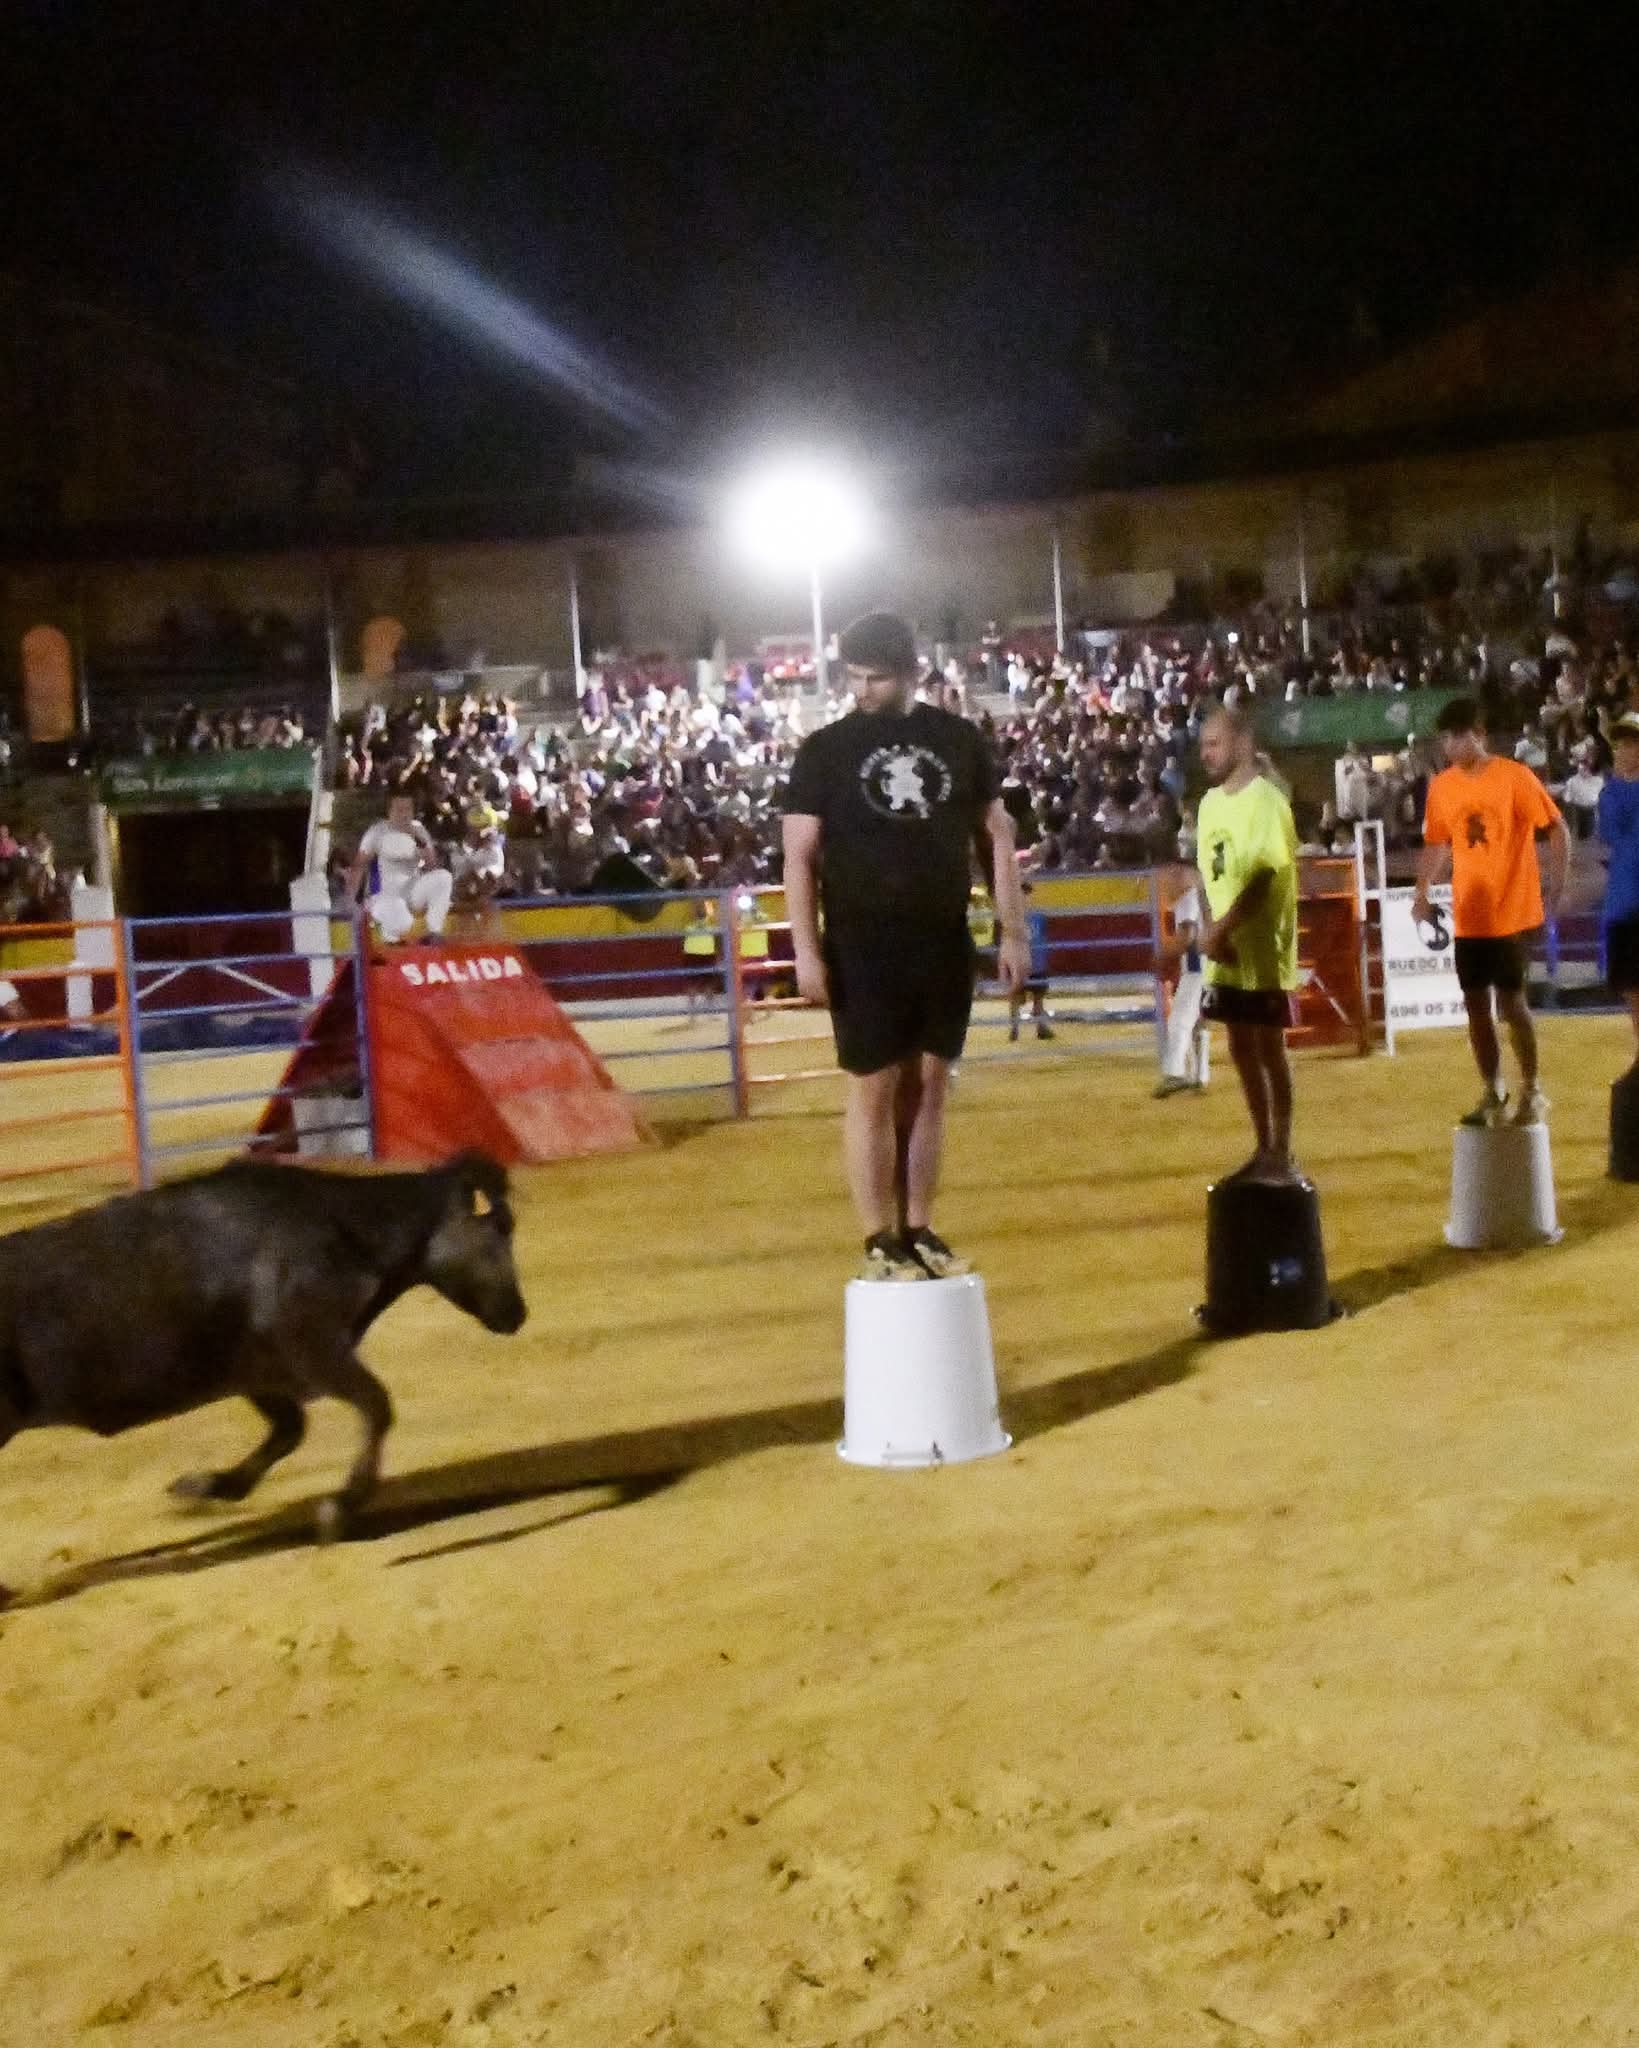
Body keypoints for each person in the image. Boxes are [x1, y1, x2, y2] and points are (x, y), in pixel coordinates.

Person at [781, 609, 1029, 1281]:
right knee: (873, 1087)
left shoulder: (956, 740)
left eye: (877, 678)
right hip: (861, 943)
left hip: (942, 938)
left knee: (928, 1085)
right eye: (855, 677)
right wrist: (804, 951)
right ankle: (875, 1237)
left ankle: (916, 1225)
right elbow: (797, 859)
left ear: (912, 673)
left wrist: (1013, 931)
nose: (862, 690)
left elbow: (995, 838)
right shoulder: (823, 750)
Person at [1414, 697, 1569, 1127]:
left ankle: (1533, 1088)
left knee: (1513, 1004)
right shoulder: (1443, 786)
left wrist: (1556, 886)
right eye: (1444, 737)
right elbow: (1437, 842)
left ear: (1478, 735)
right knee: (1475, 1006)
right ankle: (1493, 1089)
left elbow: (1556, 828)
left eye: (1457, 735)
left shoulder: (1514, 777)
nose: (1449, 744)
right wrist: (1421, 892)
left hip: (1510, 913)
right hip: (1469, 915)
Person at [1193, 704, 1300, 1181]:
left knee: (1269, 1047)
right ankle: (1263, 1146)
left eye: (1214, 743)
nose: (1206, 754)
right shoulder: (1209, 804)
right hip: (1226, 952)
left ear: (1240, 742)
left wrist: (1220, 929)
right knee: (1239, 1046)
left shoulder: (1267, 801)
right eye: (1202, 746)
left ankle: (1282, 1148)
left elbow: (1261, 877)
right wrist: (1210, 925)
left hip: (1261, 951)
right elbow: (1203, 873)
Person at [345, 793, 454, 945]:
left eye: (407, 809)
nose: (403, 814)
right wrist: (351, 900)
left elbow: (432, 866)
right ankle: (390, 939)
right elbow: (359, 865)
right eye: (399, 809)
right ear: (389, 812)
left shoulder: (418, 829)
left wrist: (417, 838)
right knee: (401, 920)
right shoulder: (377, 832)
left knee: (443, 877)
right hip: (386, 895)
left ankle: (434, 932)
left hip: (412, 892)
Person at [1597, 708, 1639, 1064]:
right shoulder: (1610, 792)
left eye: (1632, 742)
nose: (1625, 749)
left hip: (1628, 902)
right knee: (1631, 987)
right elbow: (1610, 832)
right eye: (1620, 744)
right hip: (1624, 905)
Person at [1154, 836, 1210, 1098]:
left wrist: (1163, 955)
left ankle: (1175, 1072)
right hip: (1206, 962)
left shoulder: (1188, 897)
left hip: (1197, 964)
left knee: (1180, 1019)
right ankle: (1200, 1075)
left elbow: (1187, 935)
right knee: (1198, 1021)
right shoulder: (1201, 893)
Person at [1007, 880, 1055, 1043]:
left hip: (1037, 962)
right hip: (1021, 962)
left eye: (1027, 894)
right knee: (1016, 997)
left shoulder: (1038, 916)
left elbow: (1044, 937)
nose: (1025, 898)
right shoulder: (1013, 917)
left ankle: (1039, 1027)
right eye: (1023, 894)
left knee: (1038, 998)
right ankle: (1015, 1028)